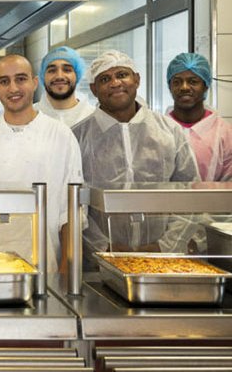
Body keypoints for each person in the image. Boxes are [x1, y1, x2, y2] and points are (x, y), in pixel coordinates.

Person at [0, 54, 83, 272]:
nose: (13, 88)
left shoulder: (60, 135)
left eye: (20, 79)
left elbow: (70, 213)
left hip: (44, 265)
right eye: (4, 81)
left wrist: (67, 269)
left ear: (34, 82)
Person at [72, 50, 200, 264]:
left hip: (164, 261)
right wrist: (103, 247)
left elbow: (190, 192)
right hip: (99, 265)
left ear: (137, 79)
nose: (115, 83)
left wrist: (165, 246)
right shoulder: (78, 137)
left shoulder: (169, 132)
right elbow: (73, 204)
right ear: (94, 89)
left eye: (122, 74)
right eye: (105, 79)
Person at [166, 52, 232, 181]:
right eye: (177, 82)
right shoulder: (157, 130)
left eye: (193, 81)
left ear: (206, 85)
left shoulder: (225, 133)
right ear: (170, 86)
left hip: (213, 201)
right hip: (164, 202)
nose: (184, 87)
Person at [34, 46, 95, 127]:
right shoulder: (28, 116)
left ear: (77, 75)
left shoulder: (93, 116)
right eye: (52, 70)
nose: (59, 76)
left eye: (67, 70)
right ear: (43, 76)